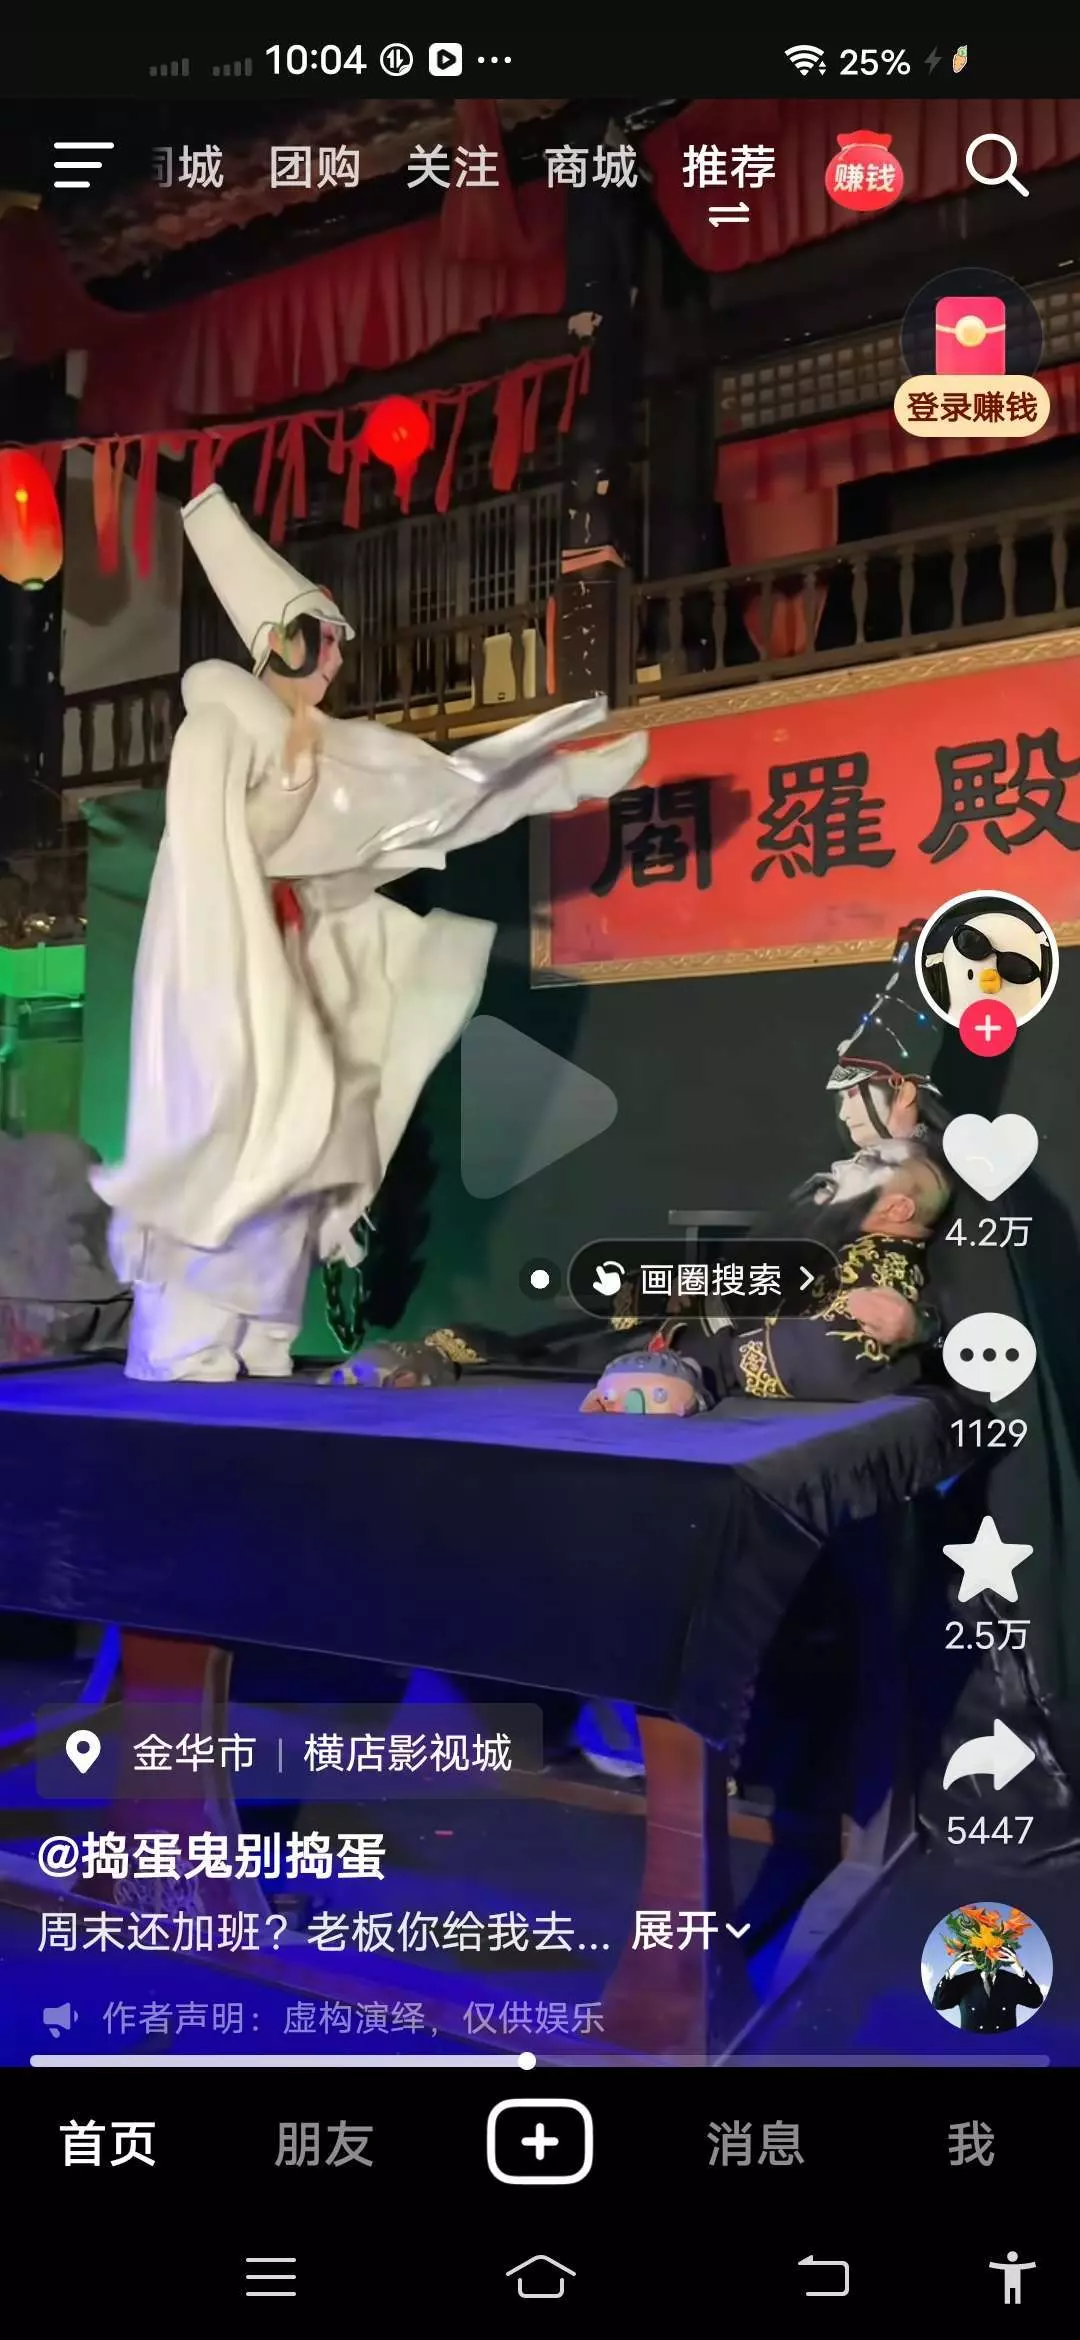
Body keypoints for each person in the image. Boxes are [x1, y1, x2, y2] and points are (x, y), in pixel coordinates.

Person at [92, 485, 649, 1383]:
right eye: (328, 638)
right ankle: (187, 1336)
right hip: (226, 962)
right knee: (233, 1137)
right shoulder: (221, 729)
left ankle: (261, 1322)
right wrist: (234, 957)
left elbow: (430, 794)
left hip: (292, 949)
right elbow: (205, 857)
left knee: (316, 1134)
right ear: (286, 640)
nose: (339, 655)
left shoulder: (324, 742)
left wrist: (551, 777)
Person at [932, 1946, 1044, 2032]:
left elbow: (1036, 2001)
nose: (987, 1955)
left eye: (993, 1949)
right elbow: (939, 2004)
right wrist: (952, 1969)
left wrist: (1019, 1969)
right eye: (981, 1950)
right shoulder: (963, 1981)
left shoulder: (1011, 1980)